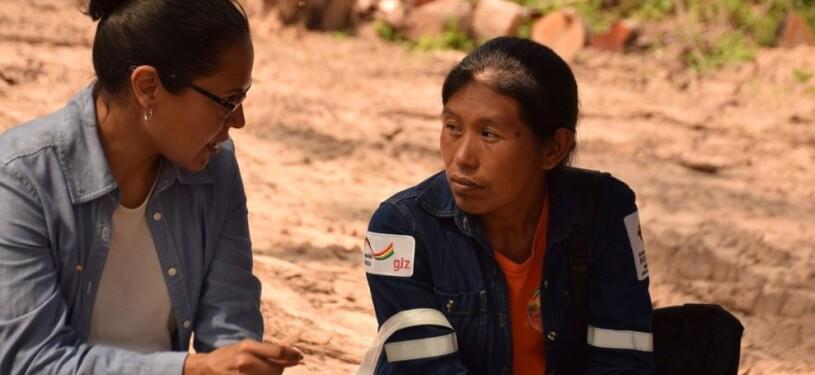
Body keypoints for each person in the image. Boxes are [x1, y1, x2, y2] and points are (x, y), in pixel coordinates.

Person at [0, 1, 302, 374]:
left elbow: (230, 322)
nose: (238, 120)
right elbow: (31, 361)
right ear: (148, 86)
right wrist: (191, 370)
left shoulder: (216, 170)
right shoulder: (20, 180)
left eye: (243, 97)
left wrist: (242, 365)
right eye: (228, 100)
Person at [362, 37, 654, 374]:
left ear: (553, 149)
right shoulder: (401, 229)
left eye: (489, 134)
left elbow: (622, 360)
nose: (462, 158)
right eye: (452, 128)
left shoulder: (604, 211)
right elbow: (427, 368)